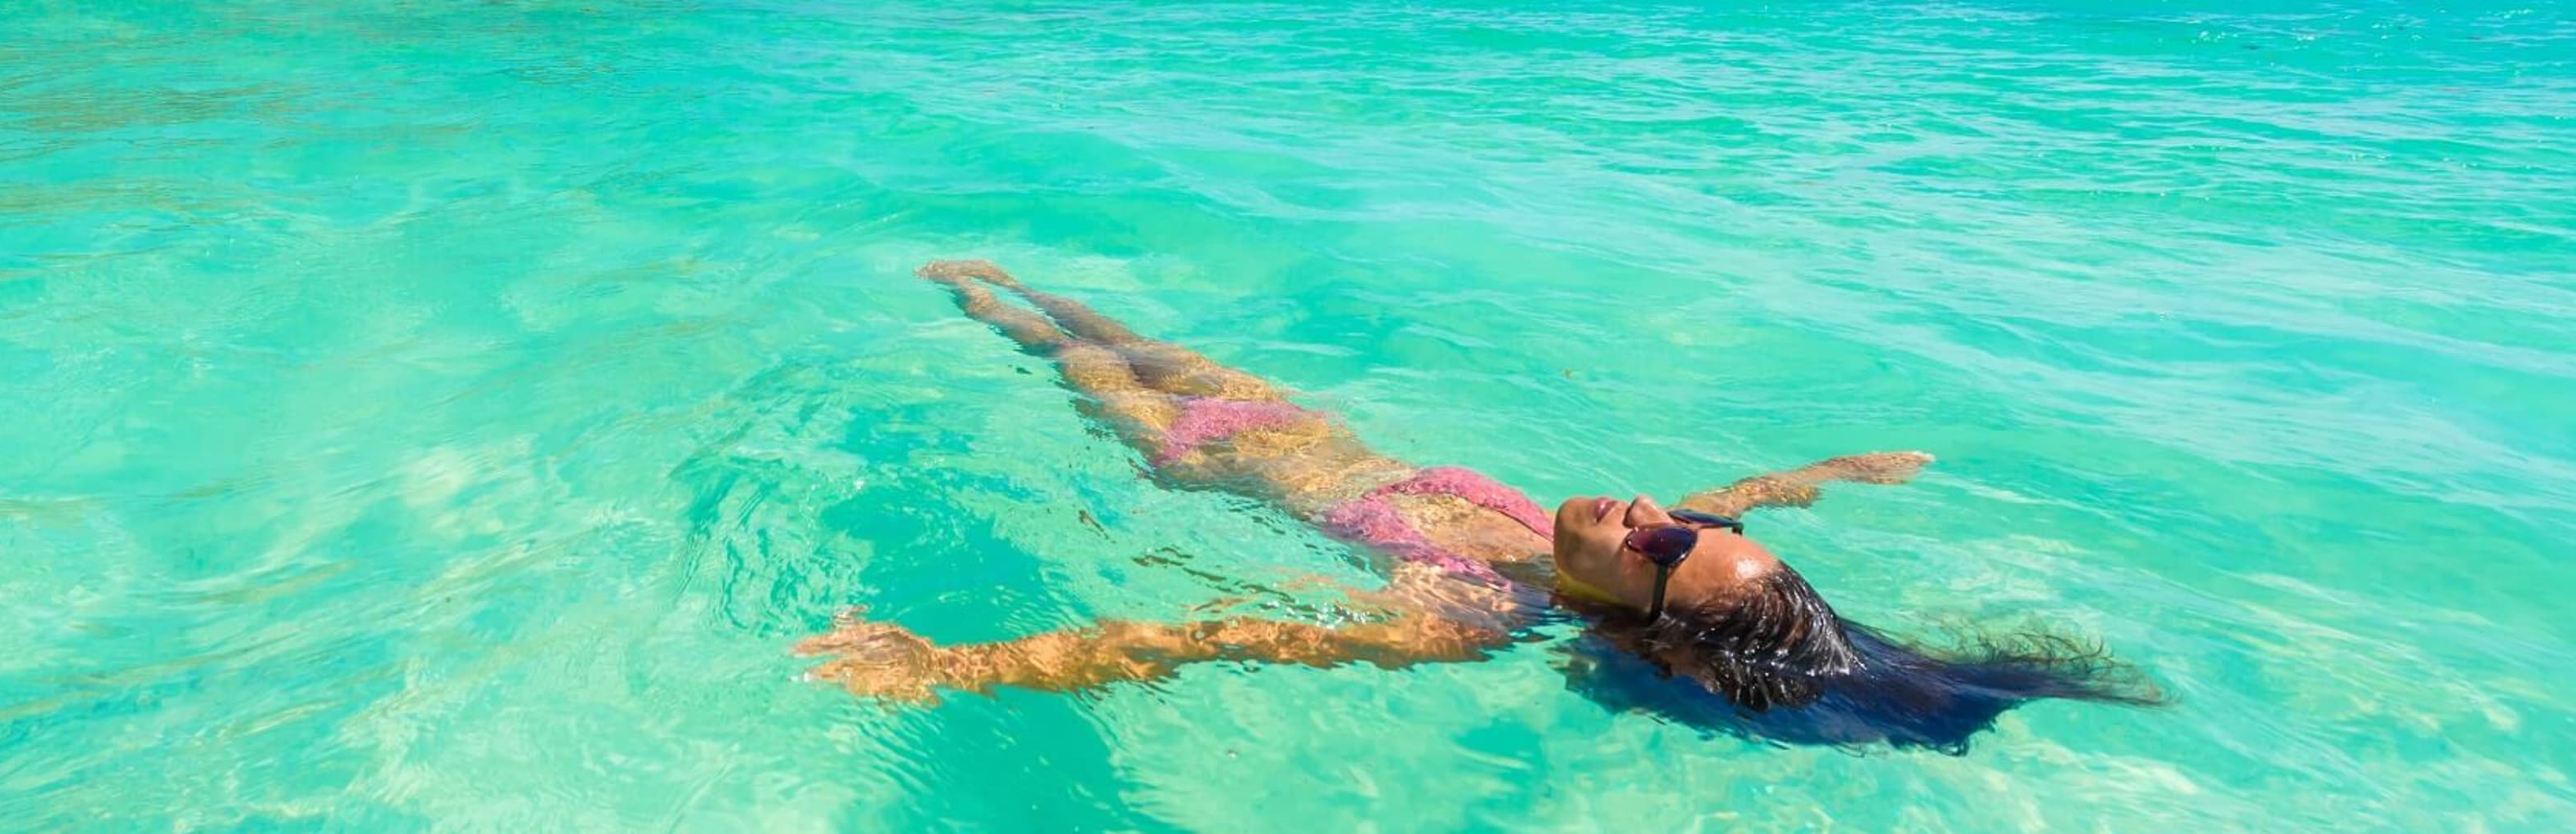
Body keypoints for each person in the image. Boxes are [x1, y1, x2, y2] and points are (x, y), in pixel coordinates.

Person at [795, 260, 2162, 751]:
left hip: (1197, 456)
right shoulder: (1634, 539)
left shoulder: (1468, 612)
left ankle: (957, 289)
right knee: (1108, 316)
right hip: (1296, 424)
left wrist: (957, 666)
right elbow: (1726, 498)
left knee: (1053, 345)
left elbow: (1213, 638)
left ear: (1640, 614)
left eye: (1667, 545)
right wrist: (1827, 475)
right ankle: (993, 273)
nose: (1651, 511)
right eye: (1689, 522)